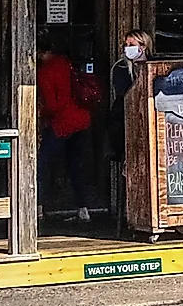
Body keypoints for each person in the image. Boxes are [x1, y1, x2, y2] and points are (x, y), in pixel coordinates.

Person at [37, 37, 100, 222]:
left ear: (39, 52)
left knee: (42, 165)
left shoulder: (45, 71)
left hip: (61, 124)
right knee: (75, 166)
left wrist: (40, 113)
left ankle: (38, 208)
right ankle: (83, 209)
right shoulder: (66, 63)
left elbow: (53, 105)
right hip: (81, 120)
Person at [106, 29, 149, 221]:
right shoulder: (121, 68)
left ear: (143, 46)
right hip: (125, 120)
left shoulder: (152, 64)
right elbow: (125, 94)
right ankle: (130, 210)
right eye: (126, 44)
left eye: (132, 45)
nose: (127, 48)